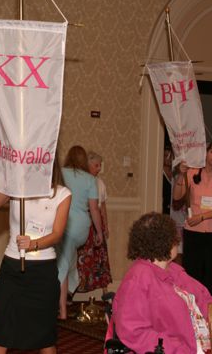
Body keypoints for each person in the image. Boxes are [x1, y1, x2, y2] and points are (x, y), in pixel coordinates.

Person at [0, 159, 71, 354]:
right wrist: (15, 176)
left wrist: (33, 244)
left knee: (44, 338)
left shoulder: (62, 194)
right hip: (12, 268)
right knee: (1, 334)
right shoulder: (19, 187)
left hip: (43, 271)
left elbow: (57, 234)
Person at [106, 212, 212, 354]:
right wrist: (180, 349)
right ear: (165, 242)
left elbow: (204, 297)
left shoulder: (172, 269)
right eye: (175, 238)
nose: (178, 241)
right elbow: (133, 331)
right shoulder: (139, 278)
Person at [56, 145, 103, 319]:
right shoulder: (90, 179)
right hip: (82, 227)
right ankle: (66, 294)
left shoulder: (60, 173)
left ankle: (62, 310)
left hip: (63, 223)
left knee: (62, 265)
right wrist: (99, 233)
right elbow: (94, 209)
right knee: (68, 261)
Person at [173, 142, 212, 293]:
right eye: (211, 152)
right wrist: (182, 175)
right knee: (193, 275)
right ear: (206, 153)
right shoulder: (192, 173)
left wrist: (202, 217)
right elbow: (177, 196)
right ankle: (193, 312)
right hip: (193, 232)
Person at [76, 151, 112, 295]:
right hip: (84, 222)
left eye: (99, 166)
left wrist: (106, 226)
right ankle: (76, 289)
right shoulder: (81, 181)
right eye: (96, 166)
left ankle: (104, 290)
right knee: (82, 256)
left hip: (98, 224)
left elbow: (102, 207)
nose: (98, 169)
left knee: (100, 256)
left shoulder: (100, 183)